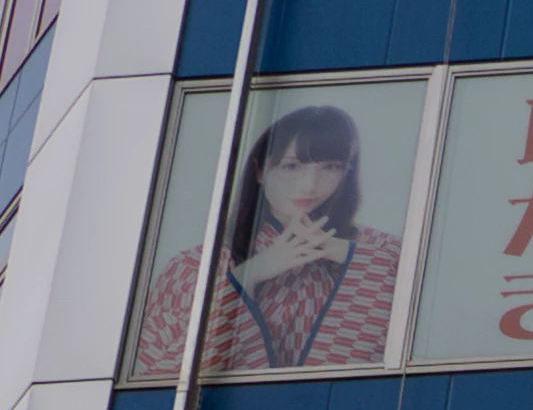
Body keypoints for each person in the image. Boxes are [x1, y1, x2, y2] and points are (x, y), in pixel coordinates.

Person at [134, 100, 403, 377]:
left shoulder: (384, 251)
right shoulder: (193, 266)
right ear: (260, 170)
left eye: (331, 167)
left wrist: (348, 255)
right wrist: (248, 275)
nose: (309, 184)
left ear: (347, 171)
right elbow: (160, 375)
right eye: (291, 166)